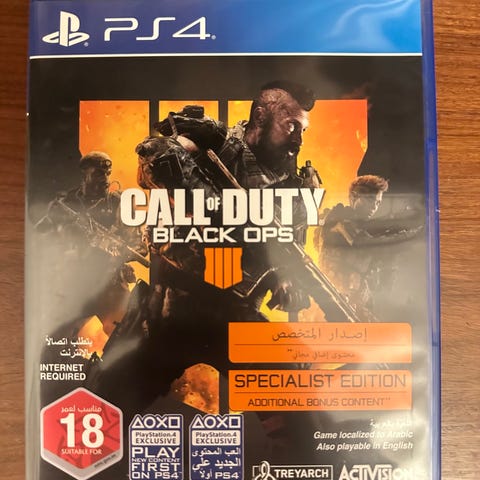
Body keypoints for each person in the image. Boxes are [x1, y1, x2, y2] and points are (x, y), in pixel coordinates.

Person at [37, 151, 146, 336]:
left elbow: (139, 246)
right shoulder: (66, 203)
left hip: (109, 284)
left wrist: (118, 254)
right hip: (73, 284)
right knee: (55, 337)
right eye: (98, 174)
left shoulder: (119, 203)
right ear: (84, 174)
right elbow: (40, 236)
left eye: (107, 173)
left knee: (127, 334)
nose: (105, 179)